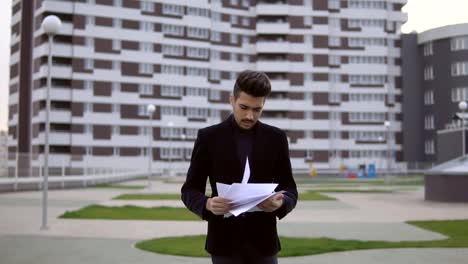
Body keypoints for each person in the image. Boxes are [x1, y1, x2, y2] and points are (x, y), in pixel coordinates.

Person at [181, 70, 298, 264]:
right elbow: (189, 190)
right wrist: (207, 204)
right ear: (232, 100)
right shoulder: (209, 138)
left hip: (264, 244)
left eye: (257, 109)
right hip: (223, 245)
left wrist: (281, 203)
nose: (250, 116)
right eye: (243, 107)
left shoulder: (276, 139)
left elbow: (290, 189)